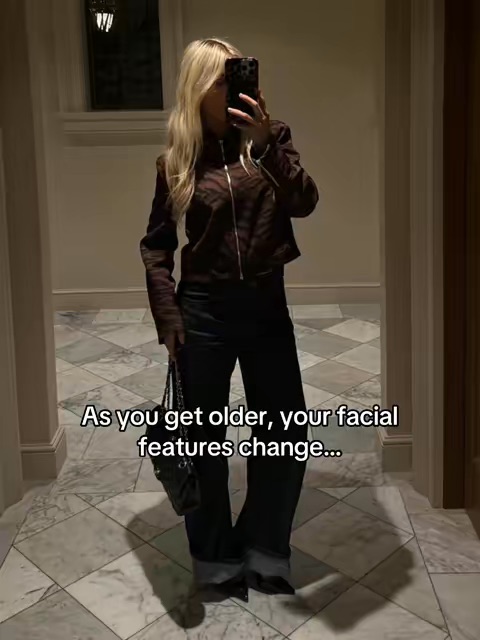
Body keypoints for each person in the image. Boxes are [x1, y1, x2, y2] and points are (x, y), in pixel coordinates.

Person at [140, 37, 319, 601]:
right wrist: (168, 314)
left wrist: (265, 146)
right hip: (203, 313)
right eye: (221, 79)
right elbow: (156, 246)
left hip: (266, 306)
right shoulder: (177, 160)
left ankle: (266, 550)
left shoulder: (272, 139)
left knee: (284, 433)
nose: (234, 87)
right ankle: (215, 558)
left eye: (237, 75)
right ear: (198, 90)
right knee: (201, 439)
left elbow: (305, 202)